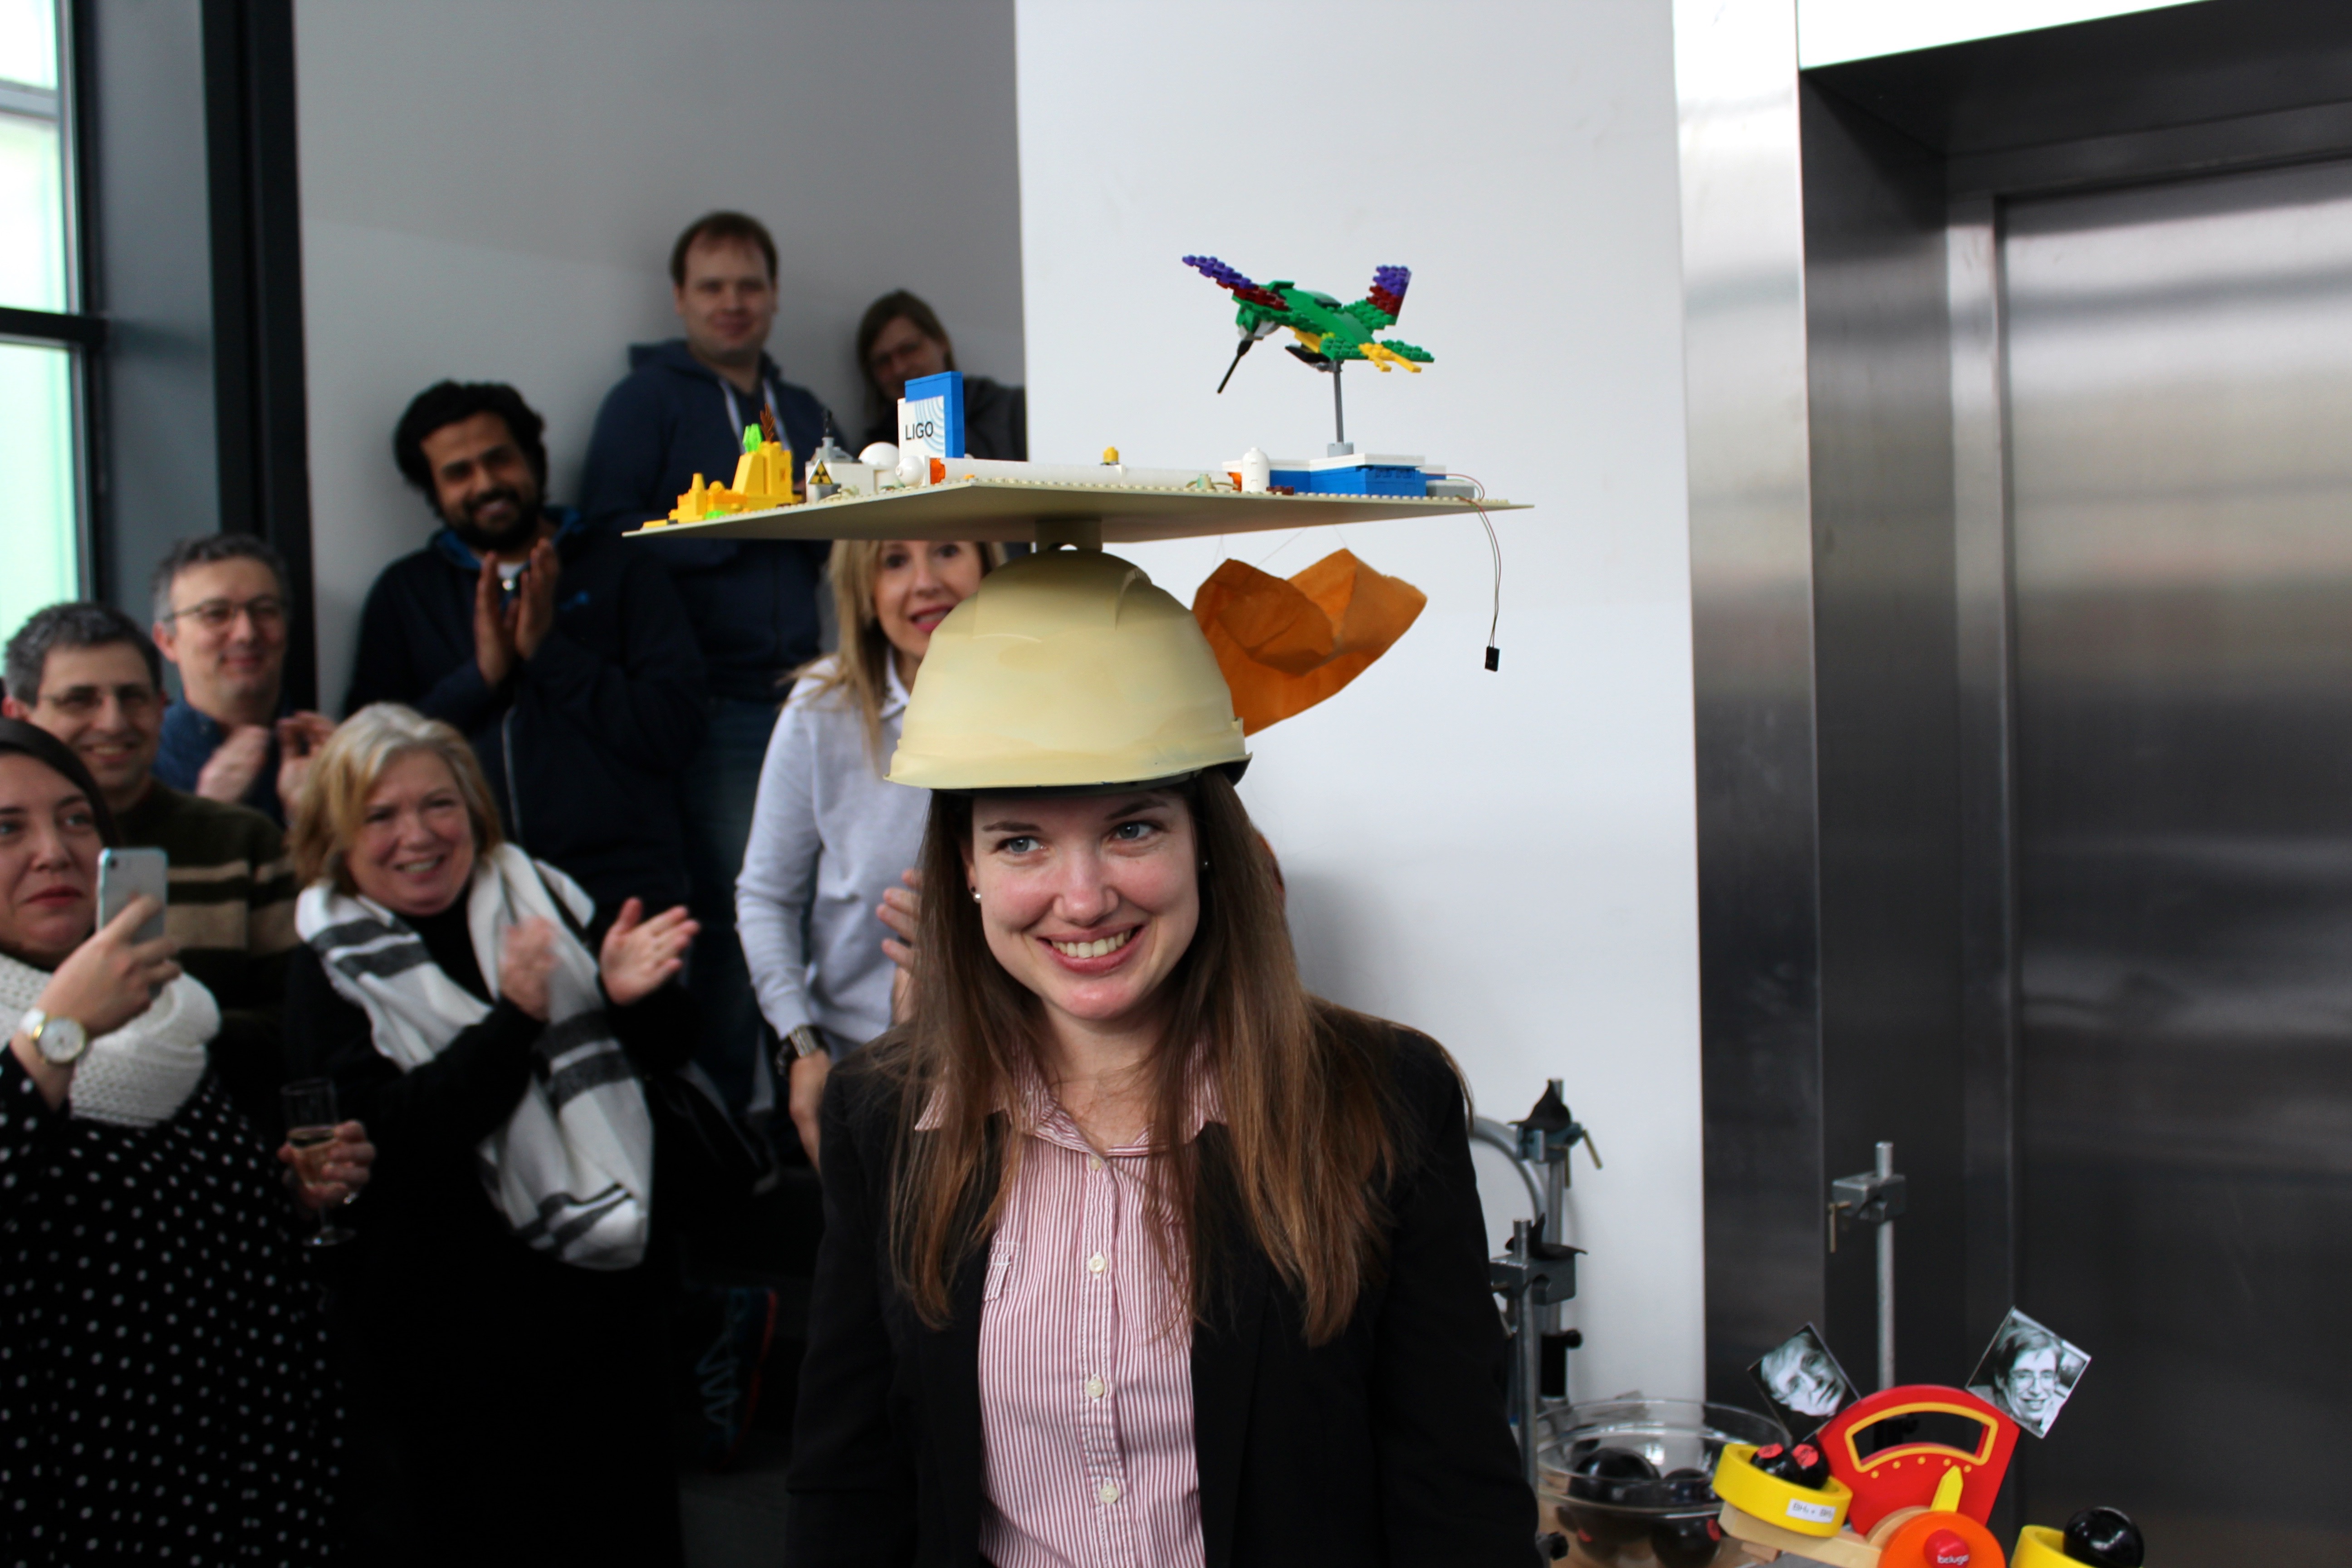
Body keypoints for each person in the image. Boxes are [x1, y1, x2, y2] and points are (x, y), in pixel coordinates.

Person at [786, 549, 1532, 1565]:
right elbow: (848, 1487)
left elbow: (1458, 1501)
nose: (1083, 899)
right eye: (1020, 842)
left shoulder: (1383, 1100)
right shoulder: (881, 1115)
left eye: (1131, 828)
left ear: (1206, 840)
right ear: (963, 864)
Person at [283, 704, 698, 1564]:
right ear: (338, 836)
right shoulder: (328, 956)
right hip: (448, 1326)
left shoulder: (539, 893)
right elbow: (384, 1138)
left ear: (474, 809)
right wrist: (514, 1019)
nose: (417, 835)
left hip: (605, 1300)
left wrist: (636, 999)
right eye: (380, 815)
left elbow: (666, 1057)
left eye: (438, 804)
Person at [0, 717, 368, 1565]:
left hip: (238, 1466)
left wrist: (287, 1194)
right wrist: (57, 1031)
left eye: (76, 818)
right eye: (7, 828)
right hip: (85, 1491)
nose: (54, 852)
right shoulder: (73, 1022)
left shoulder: (165, 1012)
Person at [579, 210, 839, 1117]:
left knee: (822, 910)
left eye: (748, 286)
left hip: (811, 693)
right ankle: (733, 1125)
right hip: (713, 704)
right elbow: (606, 530)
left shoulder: (801, 410)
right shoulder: (644, 401)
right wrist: (737, 528)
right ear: (679, 298)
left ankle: (814, 1109)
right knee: (742, 918)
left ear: (773, 296)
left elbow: (845, 535)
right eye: (713, 287)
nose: (733, 303)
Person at [348, 380, 706, 916]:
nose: (487, 483)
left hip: (626, 893)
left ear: (533, 460)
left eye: (499, 459)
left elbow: (675, 731)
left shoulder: (624, 568)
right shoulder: (406, 594)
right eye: (459, 473)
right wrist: (481, 677)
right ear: (433, 491)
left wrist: (550, 654)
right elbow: (366, 760)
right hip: (463, 895)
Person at [739, 539, 1000, 1168]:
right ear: (863, 591)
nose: (925, 582)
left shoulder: (1044, 695)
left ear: (990, 565)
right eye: (894, 561)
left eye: (947, 550)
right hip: (857, 1063)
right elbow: (766, 897)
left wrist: (966, 933)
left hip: (1011, 1053)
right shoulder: (820, 706)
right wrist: (802, 1048)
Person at [5, 602, 298, 1090]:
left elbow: (299, 1022)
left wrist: (162, 1036)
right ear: (17, 715)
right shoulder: (25, 869)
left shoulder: (245, 840)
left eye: (133, 697)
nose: (113, 722)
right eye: (79, 700)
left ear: (164, 706)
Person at [149, 533, 336, 826]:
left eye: (265, 611)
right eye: (216, 614)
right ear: (167, 641)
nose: (246, 633)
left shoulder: (335, 755)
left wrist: (317, 823)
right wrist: (210, 811)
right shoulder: (142, 764)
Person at [855, 288, 1027, 460]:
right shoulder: (871, 455)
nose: (899, 369)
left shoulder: (1016, 411)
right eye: (883, 361)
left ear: (941, 342)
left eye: (909, 349)